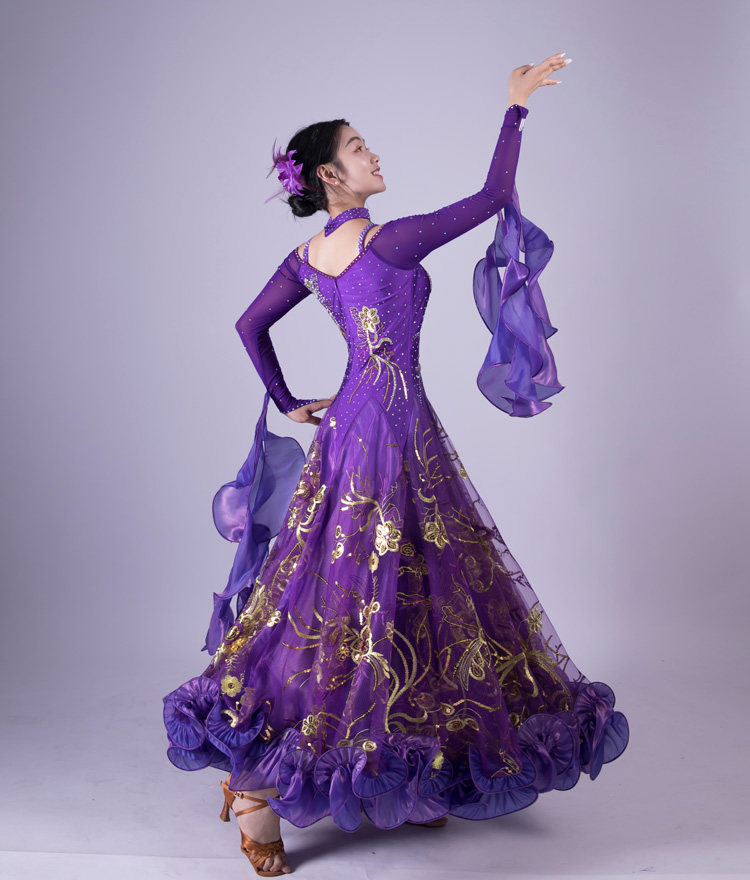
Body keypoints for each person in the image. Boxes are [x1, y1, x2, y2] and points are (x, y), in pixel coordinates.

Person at [163, 52, 629, 877]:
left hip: (358, 426)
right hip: (390, 429)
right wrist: (514, 108)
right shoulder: (388, 240)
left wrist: (287, 400)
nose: (372, 153)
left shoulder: (309, 257)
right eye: (358, 146)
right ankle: (257, 789)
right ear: (328, 176)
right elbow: (493, 197)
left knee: (369, 588)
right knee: (373, 588)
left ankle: (402, 771)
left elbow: (248, 326)